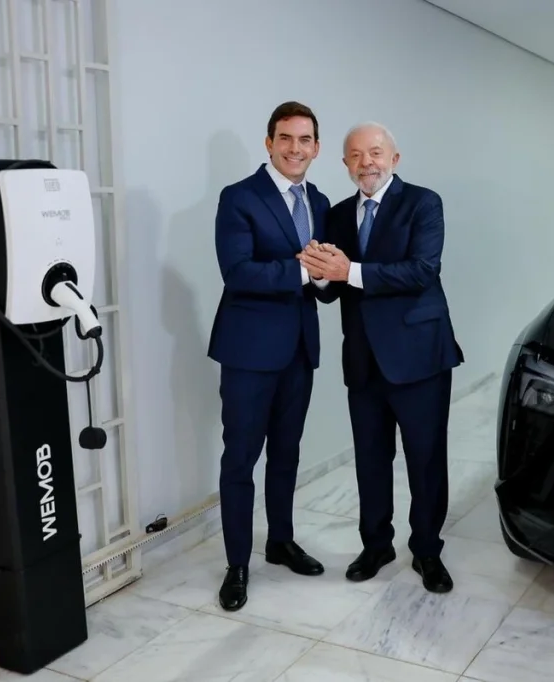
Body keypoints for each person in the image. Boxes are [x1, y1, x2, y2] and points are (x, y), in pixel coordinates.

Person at [298, 122, 463, 593]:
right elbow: (330, 290)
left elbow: (421, 270)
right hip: (364, 358)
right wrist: (320, 273)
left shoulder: (423, 203)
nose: (366, 162)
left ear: (394, 158)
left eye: (374, 152)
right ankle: (376, 545)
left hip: (420, 356)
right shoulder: (337, 215)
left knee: (425, 459)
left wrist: (347, 271)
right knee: (370, 459)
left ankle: (427, 550)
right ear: (345, 164)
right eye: (355, 155)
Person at [207, 101, 330, 612]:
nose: (294, 148)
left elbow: (324, 282)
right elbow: (237, 272)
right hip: (249, 351)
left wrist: (324, 276)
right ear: (269, 143)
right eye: (285, 138)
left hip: (299, 349)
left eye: (304, 140)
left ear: (316, 148)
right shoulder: (239, 197)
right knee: (240, 458)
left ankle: (280, 540)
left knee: (287, 453)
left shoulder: (319, 201)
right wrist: (303, 270)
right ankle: (238, 563)